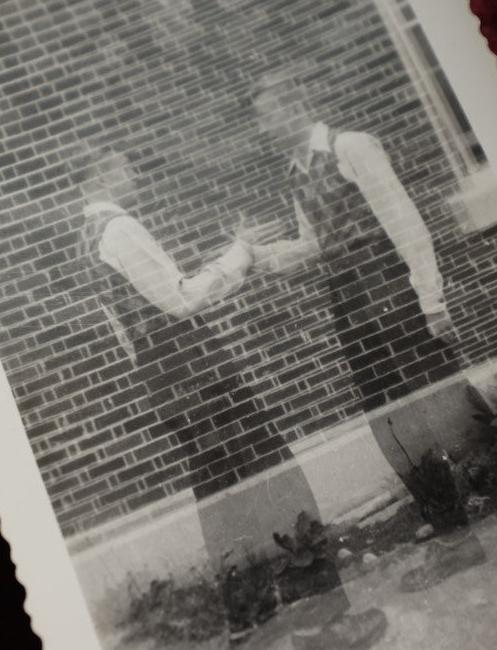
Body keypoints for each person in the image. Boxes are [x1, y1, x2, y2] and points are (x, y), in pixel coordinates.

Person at [249, 67, 497, 592]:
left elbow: (403, 220)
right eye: (259, 119)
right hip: (350, 308)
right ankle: (456, 541)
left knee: (456, 418)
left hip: (395, 296)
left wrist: (431, 298)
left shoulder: (349, 148)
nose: (263, 127)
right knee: (397, 430)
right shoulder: (294, 172)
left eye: (267, 114)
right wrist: (256, 256)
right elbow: (314, 243)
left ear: (295, 103)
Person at [77, 148, 387, 648]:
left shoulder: (86, 238)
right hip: (204, 382)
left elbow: (135, 324)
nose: (133, 171)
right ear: (102, 174)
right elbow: (181, 299)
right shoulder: (119, 228)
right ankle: (329, 626)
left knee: (224, 507)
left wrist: (216, 265)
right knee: (278, 485)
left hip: (170, 391)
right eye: (124, 165)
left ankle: (253, 627)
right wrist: (239, 253)